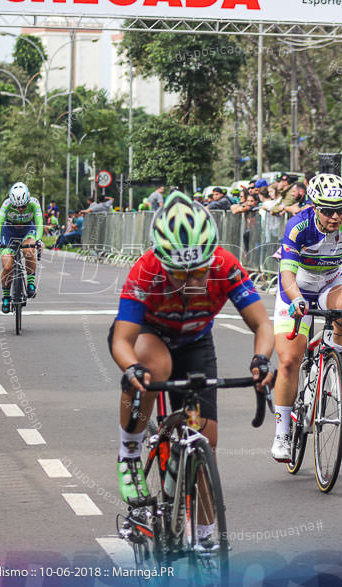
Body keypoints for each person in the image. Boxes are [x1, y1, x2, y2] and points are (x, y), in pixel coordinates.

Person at [109, 192, 274, 510]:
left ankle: (201, 542)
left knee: (204, 442)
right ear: (163, 261)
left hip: (195, 341)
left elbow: (262, 325)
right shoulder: (146, 268)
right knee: (154, 366)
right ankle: (129, 452)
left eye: (198, 271)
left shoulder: (225, 265)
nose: (189, 281)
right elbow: (121, 340)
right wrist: (132, 368)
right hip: (150, 334)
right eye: (179, 273)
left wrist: (261, 359)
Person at [270, 174, 342, 462]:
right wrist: (296, 300)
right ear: (314, 206)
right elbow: (287, 274)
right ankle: (282, 431)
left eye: (341, 209)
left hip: (332, 281)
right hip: (297, 287)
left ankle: (332, 361)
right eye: (328, 210)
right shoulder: (298, 226)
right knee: (288, 360)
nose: (335, 216)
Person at [0, 182, 44, 313]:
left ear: (28, 201)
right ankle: (6, 297)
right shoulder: (6, 204)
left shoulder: (34, 203)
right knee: (8, 266)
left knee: (29, 249)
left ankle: (31, 283)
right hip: (8, 232)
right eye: (17, 207)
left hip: (27, 230)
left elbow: (39, 222)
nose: (21, 209)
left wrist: (38, 240)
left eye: (24, 206)